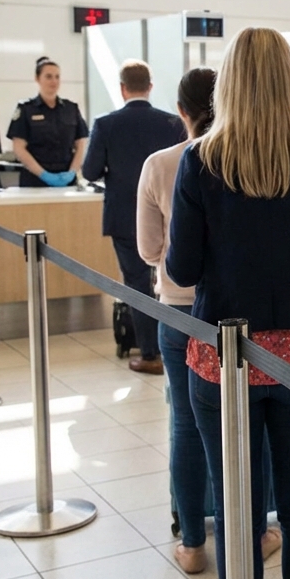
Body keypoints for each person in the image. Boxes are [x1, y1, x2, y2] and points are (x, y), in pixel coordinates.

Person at [168, 27, 290, 579]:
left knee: (238, 508)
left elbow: (181, 271)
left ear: (227, 85)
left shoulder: (201, 160)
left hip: (225, 357)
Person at [136, 67, 281, 574]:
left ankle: (194, 542)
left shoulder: (160, 164)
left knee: (185, 424)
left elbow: (150, 249)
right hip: (243, 311)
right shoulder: (250, 157)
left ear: (180, 111)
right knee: (256, 426)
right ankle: (259, 530)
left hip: (179, 313)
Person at [82, 61, 187, 375]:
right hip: (171, 213)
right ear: (150, 87)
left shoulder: (105, 124)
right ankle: (177, 345)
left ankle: (151, 353)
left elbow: (89, 171)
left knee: (137, 284)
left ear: (122, 88)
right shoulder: (171, 122)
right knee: (170, 281)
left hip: (125, 215)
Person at [6, 56, 89, 187]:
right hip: (35, 180)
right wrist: (43, 174)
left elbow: (81, 144)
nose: (54, 81)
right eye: (49, 76)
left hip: (67, 179)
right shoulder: (26, 109)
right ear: (37, 78)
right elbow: (19, 148)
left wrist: (72, 172)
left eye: (57, 77)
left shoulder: (71, 108)